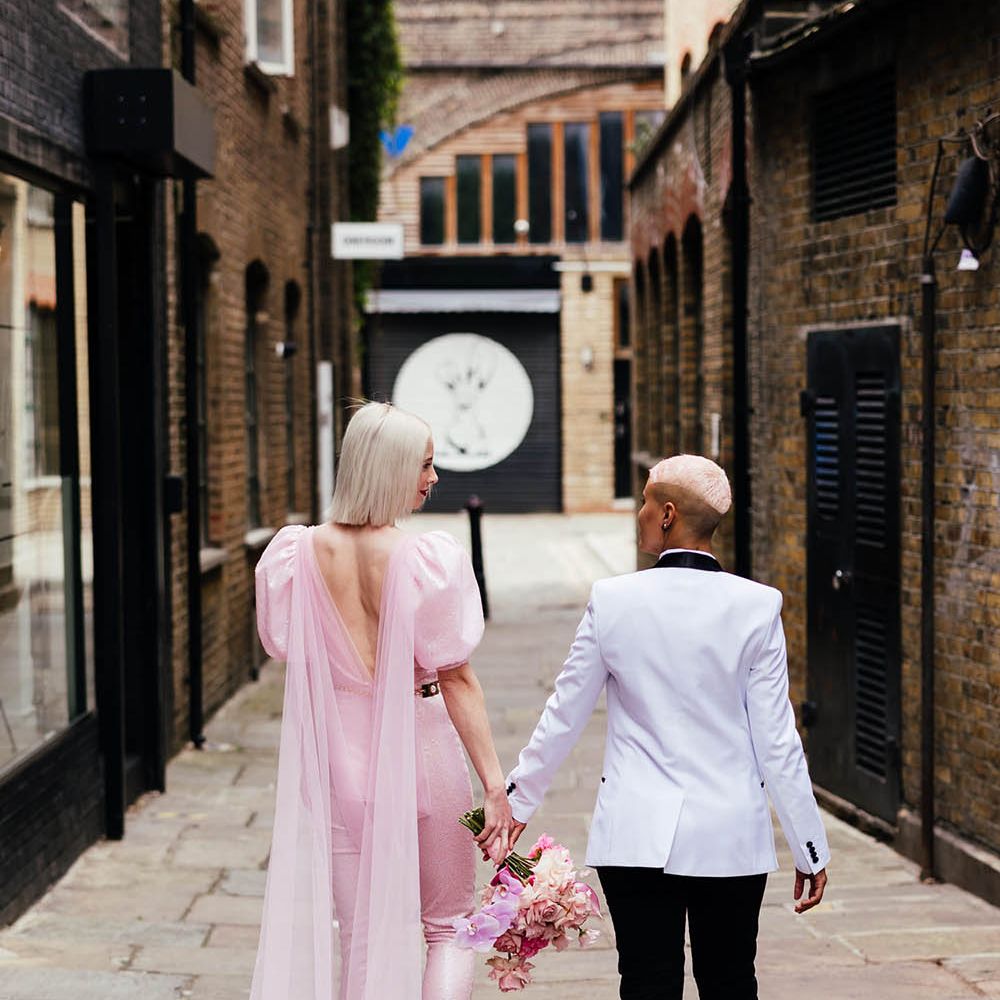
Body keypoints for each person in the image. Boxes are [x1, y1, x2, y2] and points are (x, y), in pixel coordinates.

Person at [504, 454, 830, 1000]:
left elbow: (565, 712)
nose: (639, 513)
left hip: (634, 835)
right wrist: (809, 846)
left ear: (668, 514)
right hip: (727, 835)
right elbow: (777, 741)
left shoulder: (613, 601)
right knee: (729, 981)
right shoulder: (756, 607)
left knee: (646, 982)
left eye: (646, 501)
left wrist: (516, 802)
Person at [249, 401, 513, 1000]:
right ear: (390, 469)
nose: (434, 477)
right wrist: (494, 785)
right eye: (424, 464)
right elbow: (457, 678)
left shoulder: (297, 554)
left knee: (361, 935)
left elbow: (283, 645)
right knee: (449, 926)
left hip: (342, 763)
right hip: (422, 750)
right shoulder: (425, 560)